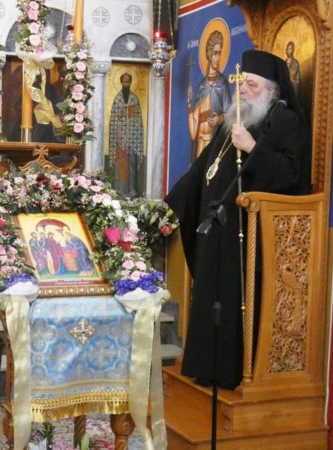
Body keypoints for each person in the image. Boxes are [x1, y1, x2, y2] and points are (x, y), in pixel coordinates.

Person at [165, 50, 311, 389]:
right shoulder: (235, 116)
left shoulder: (286, 122)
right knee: (209, 297)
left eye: (251, 84)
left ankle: (229, 373)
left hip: (247, 235)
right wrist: (170, 205)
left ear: (272, 90)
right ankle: (206, 368)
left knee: (233, 301)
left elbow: (291, 175)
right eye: (242, 82)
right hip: (215, 227)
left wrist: (253, 146)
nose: (242, 88)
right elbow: (203, 168)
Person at [187, 30, 232, 161]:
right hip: (200, 142)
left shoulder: (222, 83)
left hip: (215, 142)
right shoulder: (202, 86)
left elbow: (231, 114)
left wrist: (219, 119)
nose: (218, 57)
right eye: (215, 53)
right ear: (209, 53)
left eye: (220, 53)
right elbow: (195, 122)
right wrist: (189, 104)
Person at [108, 72, 144, 196]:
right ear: (121, 82)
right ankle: (120, 190)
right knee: (121, 165)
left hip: (132, 139)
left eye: (128, 82)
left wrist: (129, 116)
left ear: (131, 83)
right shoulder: (117, 99)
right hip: (120, 138)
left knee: (132, 166)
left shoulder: (134, 99)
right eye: (124, 82)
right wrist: (121, 116)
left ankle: (132, 190)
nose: (126, 84)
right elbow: (114, 119)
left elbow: (137, 120)